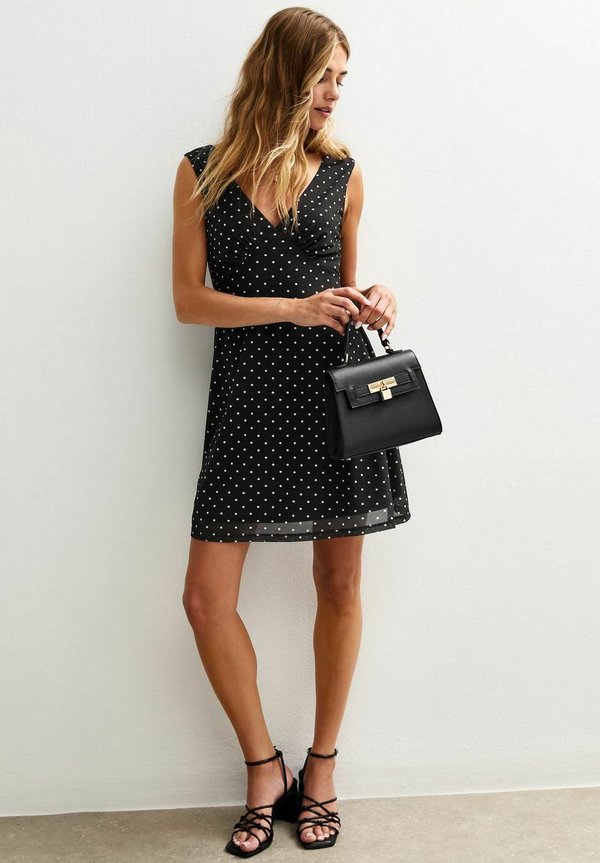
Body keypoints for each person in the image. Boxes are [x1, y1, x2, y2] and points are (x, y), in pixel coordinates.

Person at [171, 7, 411, 856]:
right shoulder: (201, 171)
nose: (335, 93)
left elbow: (344, 288)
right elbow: (188, 301)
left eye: (342, 79)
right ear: (283, 72)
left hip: (336, 401)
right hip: (247, 405)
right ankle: (263, 766)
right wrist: (290, 308)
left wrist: (373, 298)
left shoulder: (344, 174)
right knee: (205, 600)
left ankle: (324, 767)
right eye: (323, 77)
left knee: (339, 584)